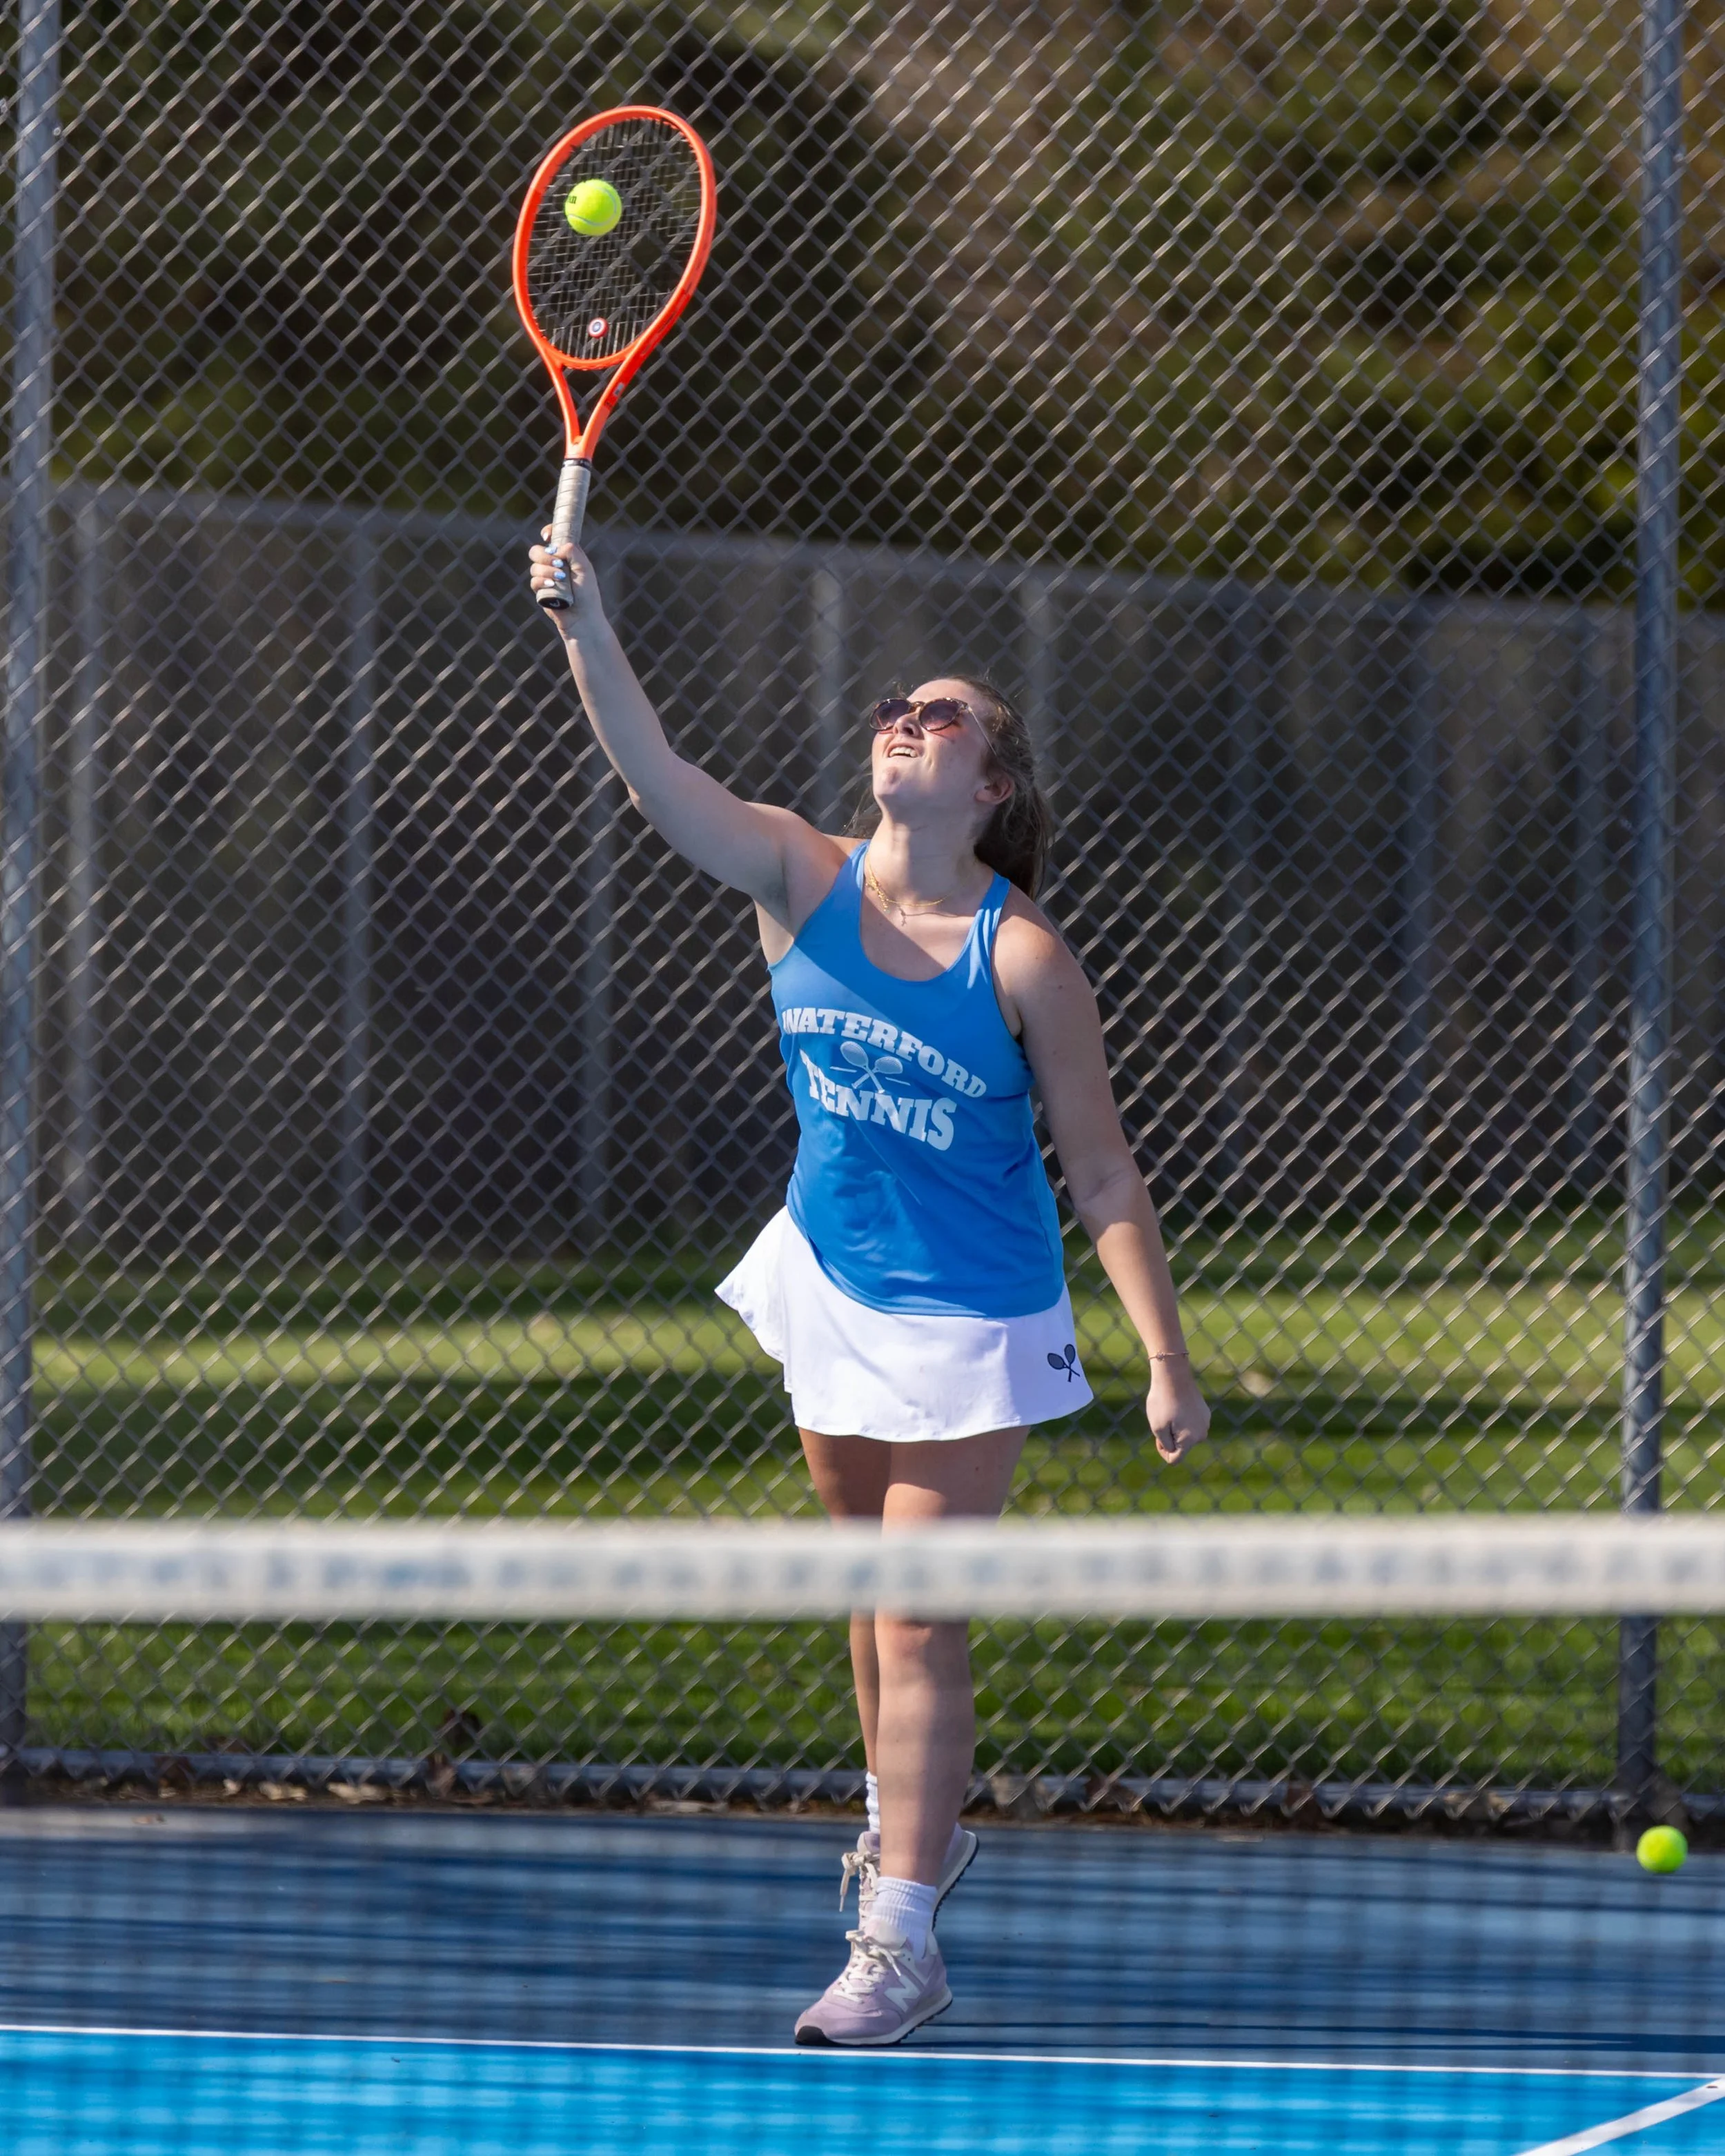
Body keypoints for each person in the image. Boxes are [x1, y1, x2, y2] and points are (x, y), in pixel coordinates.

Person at [528, 535, 1210, 2046]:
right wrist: (588, 622)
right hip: (831, 1281)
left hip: (973, 1315)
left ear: (992, 791)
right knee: (866, 1595)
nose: (906, 712)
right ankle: (915, 1826)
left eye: (944, 712)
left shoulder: (1022, 957)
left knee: (917, 1619)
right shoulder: (794, 869)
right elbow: (654, 775)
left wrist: (1163, 1354)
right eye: (898, 701)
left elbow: (1097, 1173)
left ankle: (897, 1933)